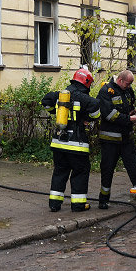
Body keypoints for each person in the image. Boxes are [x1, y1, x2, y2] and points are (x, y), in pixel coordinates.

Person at [41, 68, 101, 212]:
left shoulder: (61, 95)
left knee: (60, 172)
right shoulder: (85, 98)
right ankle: (78, 205)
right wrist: (86, 119)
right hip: (77, 145)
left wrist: (55, 112)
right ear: (87, 82)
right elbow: (96, 112)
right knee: (80, 172)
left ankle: (54, 204)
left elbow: (46, 101)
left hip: (59, 142)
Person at [96, 70, 136, 210]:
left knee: (135, 169)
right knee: (107, 170)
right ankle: (103, 200)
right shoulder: (106, 91)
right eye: (127, 84)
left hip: (126, 139)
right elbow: (109, 115)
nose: (129, 86)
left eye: (130, 84)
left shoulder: (127, 90)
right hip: (110, 140)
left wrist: (132, 112)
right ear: (120, 80)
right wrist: (128, 118)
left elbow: (127, 107)